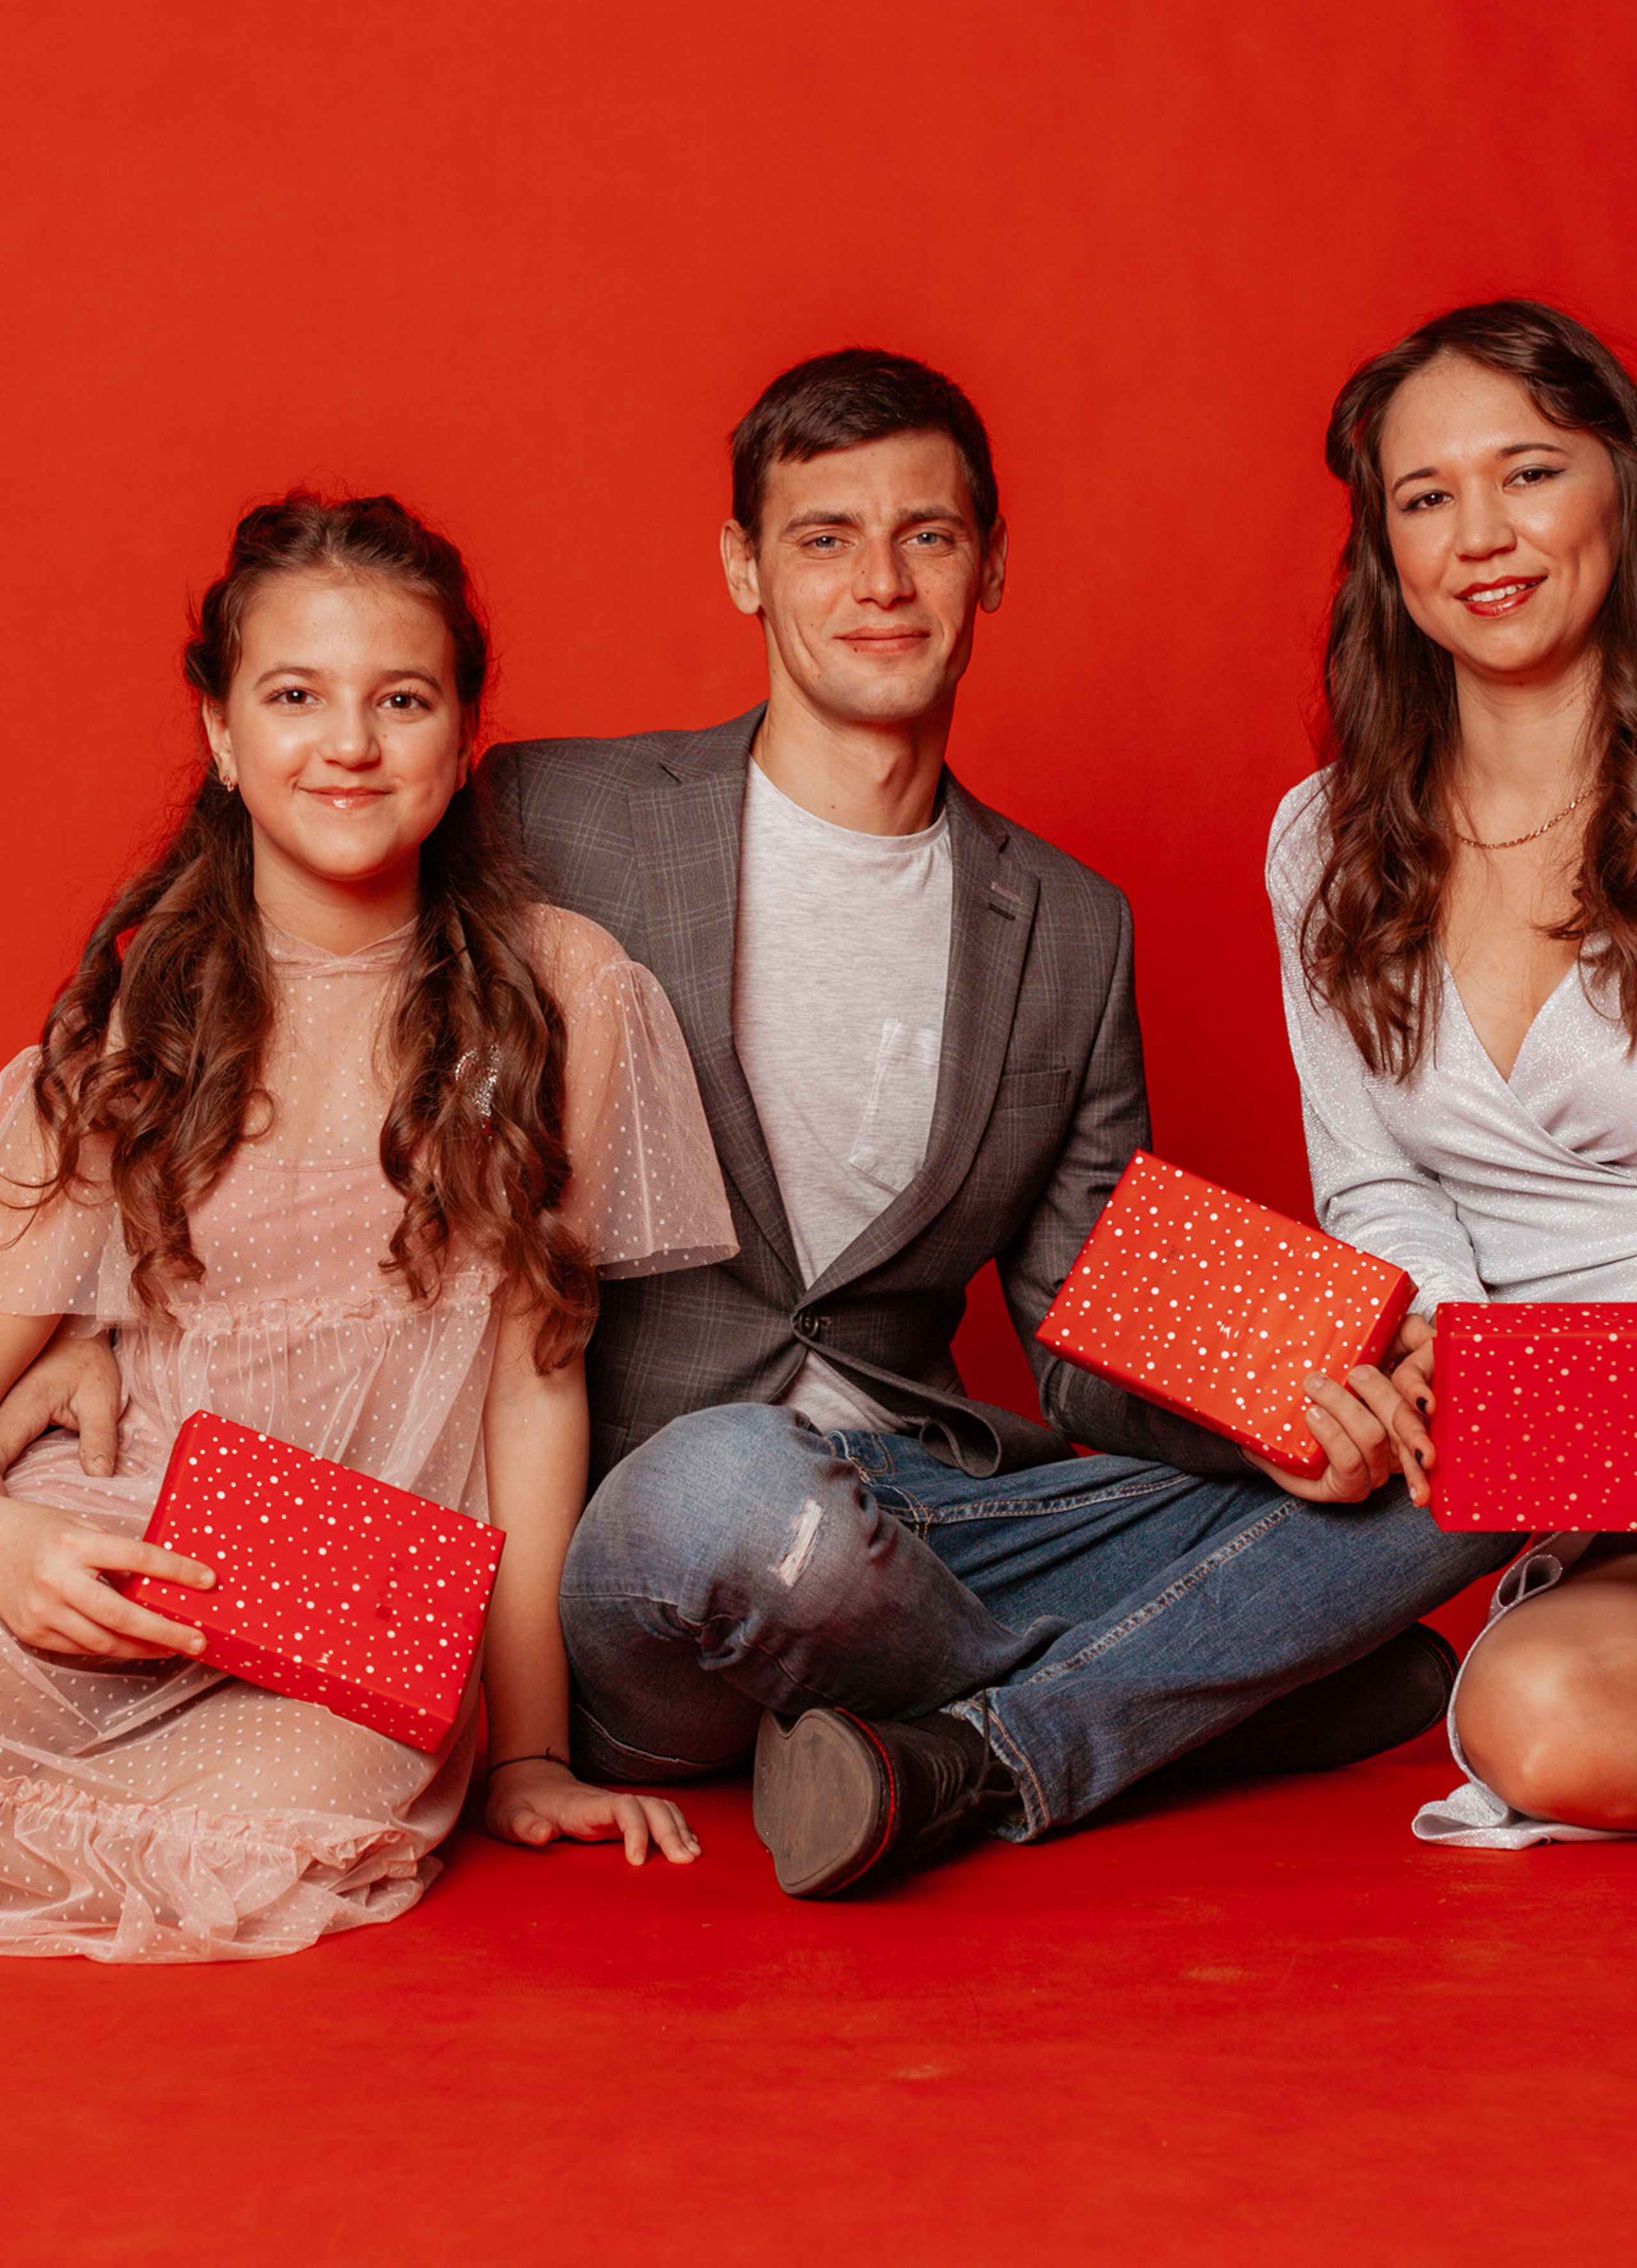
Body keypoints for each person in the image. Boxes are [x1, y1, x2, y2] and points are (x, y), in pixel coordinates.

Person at [467, 347, 1512, 1898]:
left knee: (1478, 1433)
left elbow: (1083, 1320)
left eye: (928, 535)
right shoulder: (552, 816)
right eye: (824, 537)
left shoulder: (1069, 926)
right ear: (743, 569)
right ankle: (1186, 1695)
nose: (879, 582)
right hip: (662, 1543)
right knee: (725, 1485)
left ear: (991, 566)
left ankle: (978, 1747)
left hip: (940, 1507)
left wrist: (1280, 1404)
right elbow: (313, 993)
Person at [0, 492, 736, 1961]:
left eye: (400, 699)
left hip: (349, 1640)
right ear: (218, 734)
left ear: (465, 742)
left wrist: (528, 1753)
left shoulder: (560, 992)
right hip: (98, 1572)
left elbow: (534, 1392)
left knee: (281, 1843)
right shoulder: (141, 1023)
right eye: (293, 696)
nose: (348, 743)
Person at [1267, 297, 1637, 1850]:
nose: (1480, 534)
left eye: (1528, 473)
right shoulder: (1321, 842)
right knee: (1526, 1715)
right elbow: (1372, 1179)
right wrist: (1444, 1356)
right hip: (1568, 1468)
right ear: (1384, 554)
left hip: (1597, 1413)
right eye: (1426, 498)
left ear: (1616, 483)